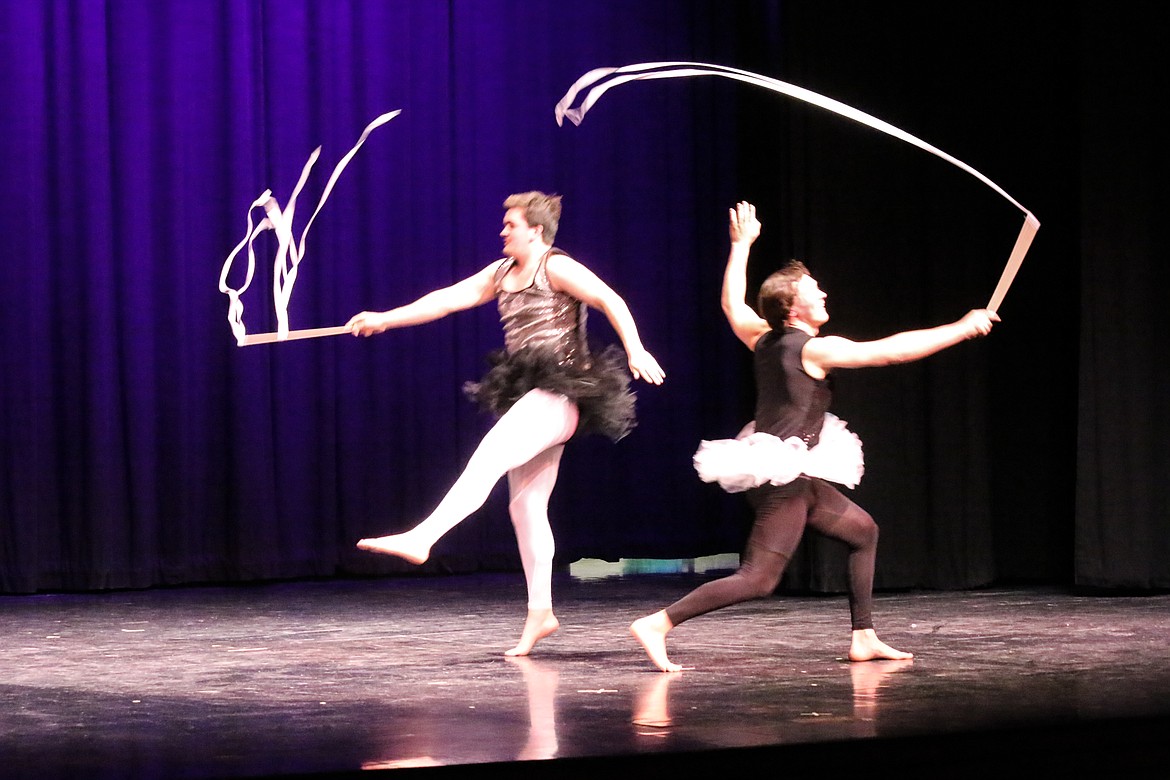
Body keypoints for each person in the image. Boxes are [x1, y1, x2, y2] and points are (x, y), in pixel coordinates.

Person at [631, 201, 997, 672]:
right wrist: (961, 328)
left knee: (864, 531)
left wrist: (740, 246)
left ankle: (863, 636)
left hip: (792, 474)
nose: (822, 292)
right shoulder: (814, 350)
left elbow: (731, 305)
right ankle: (659, 623)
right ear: (790, 306)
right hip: (780, 480)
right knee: (759, 579)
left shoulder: (761, 337)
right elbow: (889, 353)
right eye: (812, 289)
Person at [347, 191, 665, 657]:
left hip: (562, 391)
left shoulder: (555, 266)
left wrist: (635, 348)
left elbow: (607, 298)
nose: (503, 231)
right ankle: (541, 612)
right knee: (526, 506)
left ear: (535, 231)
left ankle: (424, 536)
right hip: (533, 393)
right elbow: (446, 299)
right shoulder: (500, 274)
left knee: (490, 457)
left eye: (511, 224)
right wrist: (384, 320)